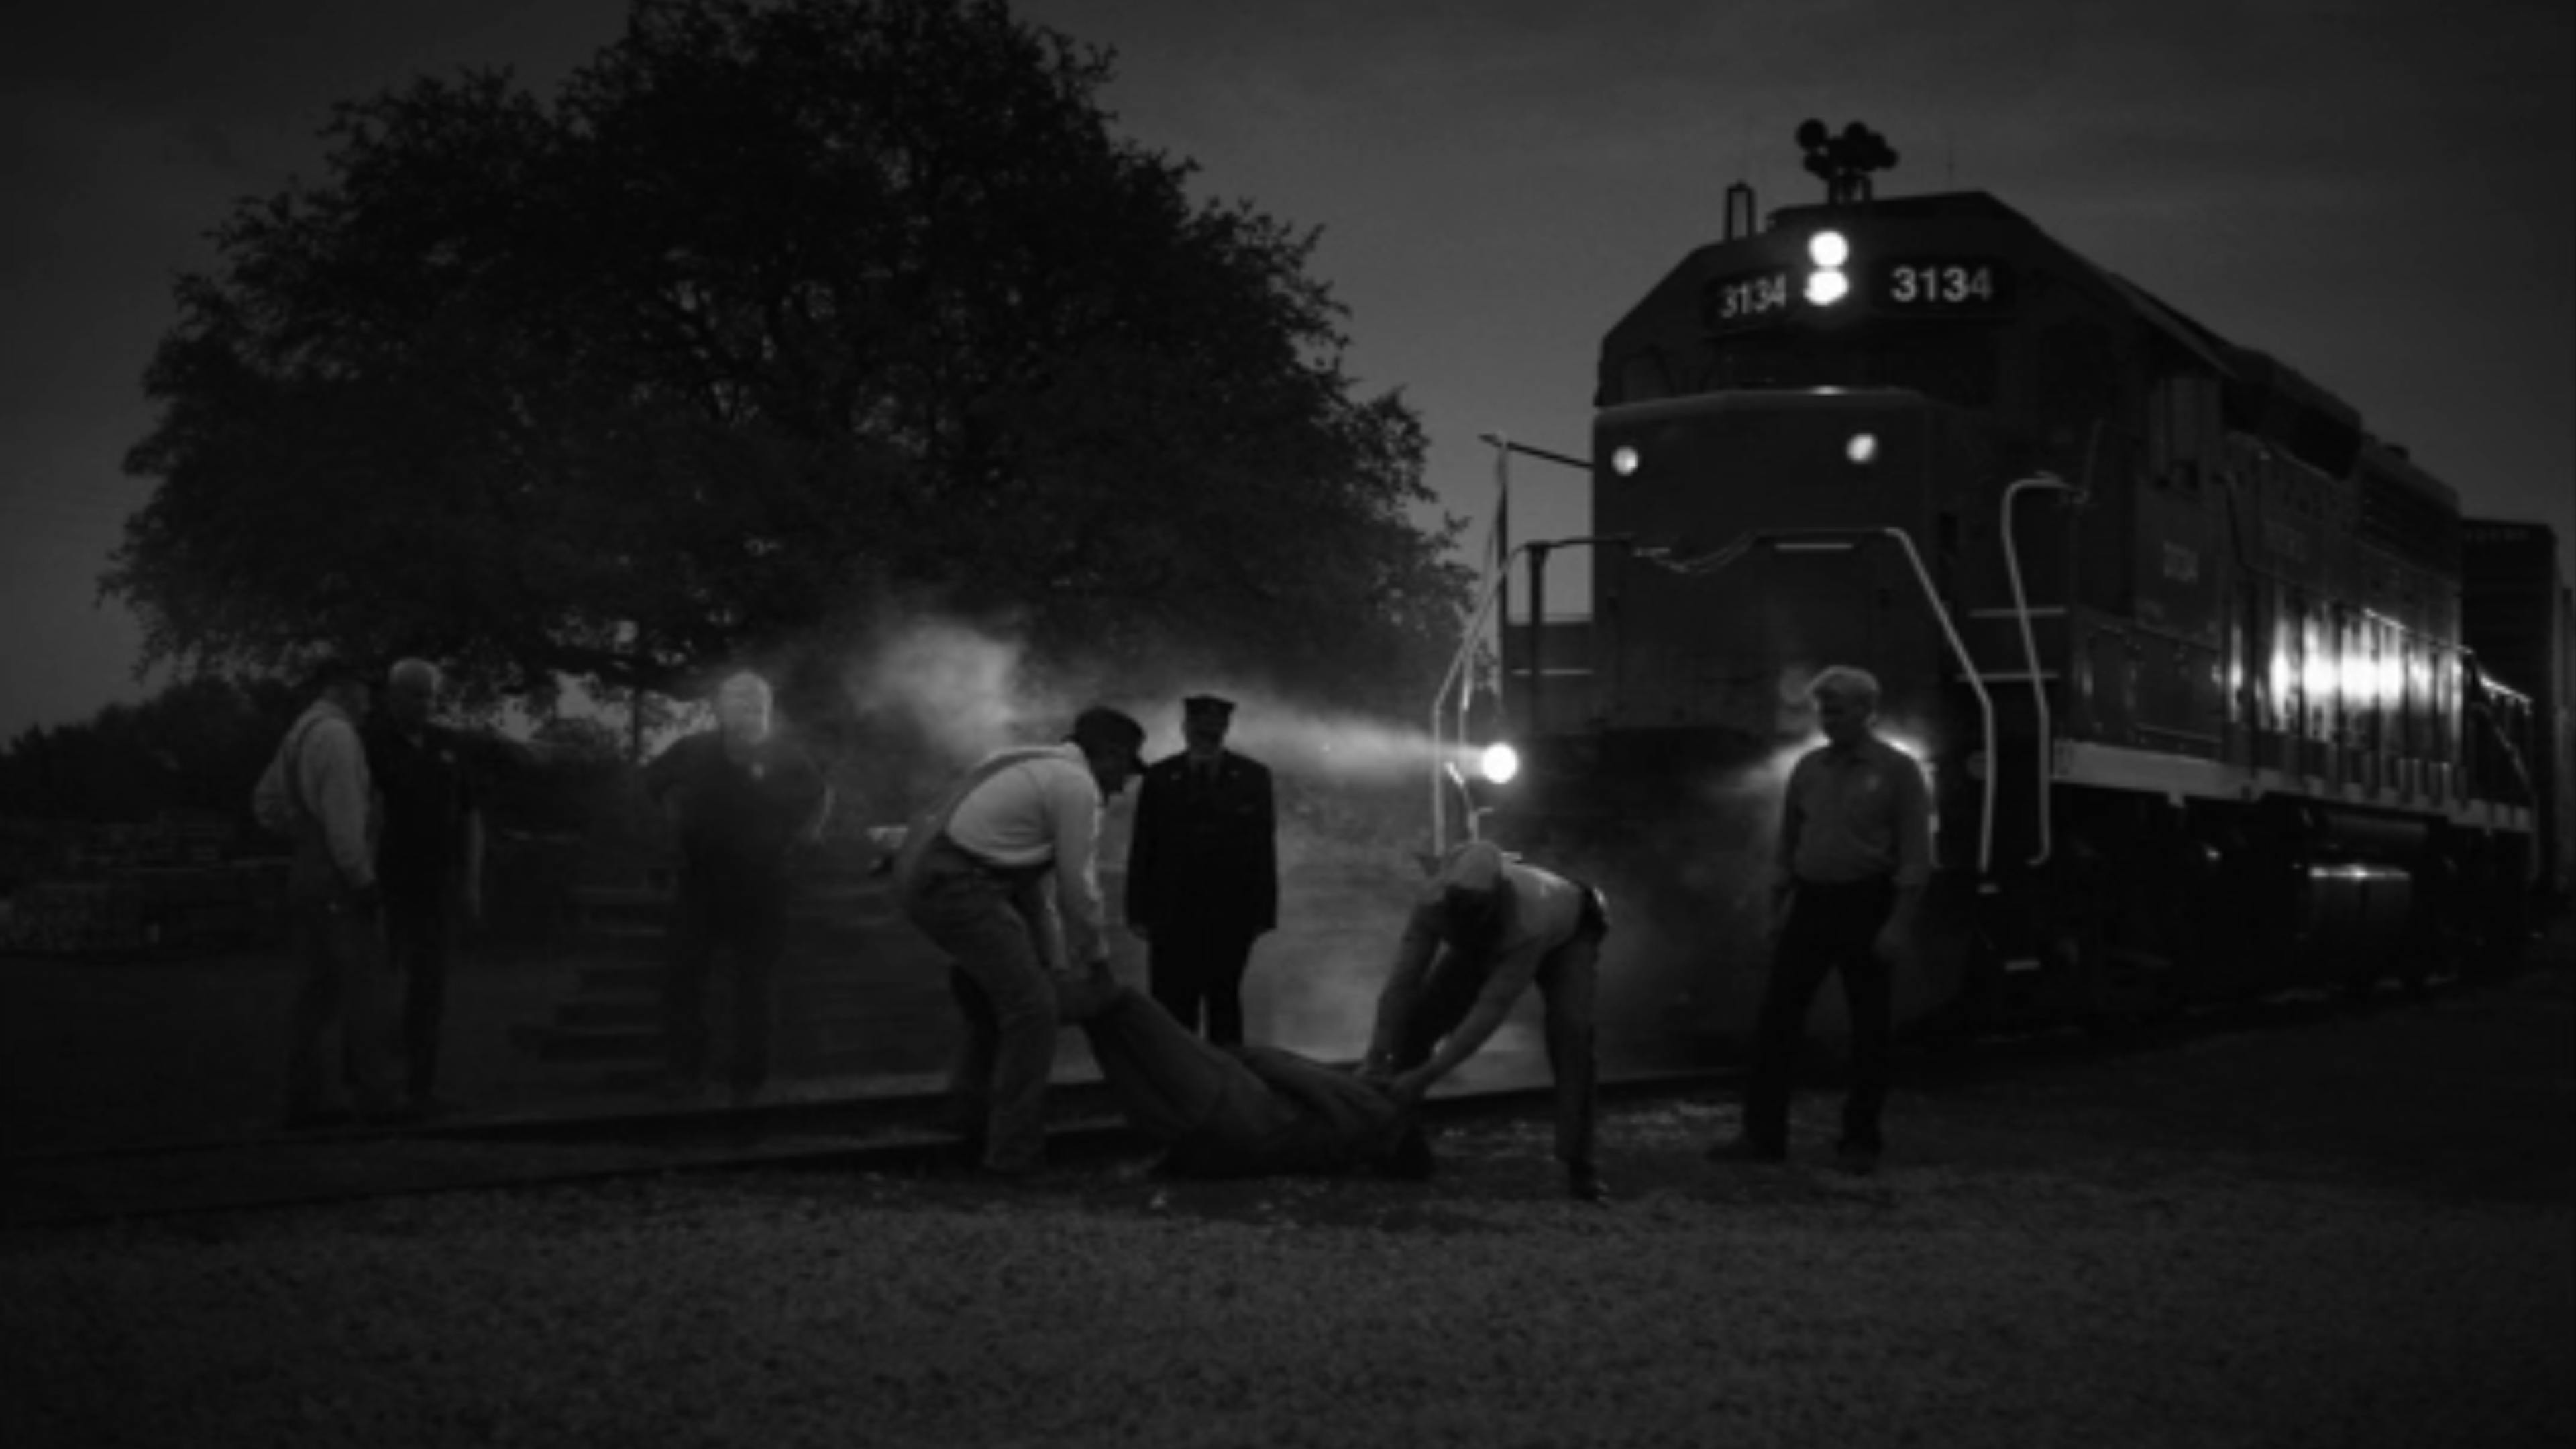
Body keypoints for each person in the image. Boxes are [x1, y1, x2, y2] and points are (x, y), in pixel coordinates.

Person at [899, 706, 1146, 1176]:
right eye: (1125, 769)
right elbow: (1078, 887)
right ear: (1110, 755)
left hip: (928, 872)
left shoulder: (1027, 761)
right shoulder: (1076, 787)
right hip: (957, 884)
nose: (1123, 785)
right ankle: (1013, 1155)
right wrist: (1096, 963)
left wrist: (1054, 963)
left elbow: (1034, 892)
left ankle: (968, 1115)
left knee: (993, 992)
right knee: (1033, 1012)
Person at [1709, 665, 1933, 1175]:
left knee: (1869, 1027)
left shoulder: (1899, 771)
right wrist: (1775, 908)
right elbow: (1788, 843)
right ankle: (1763, 1136)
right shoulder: (1808, 769)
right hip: (1811, 903)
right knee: (1776, 1022)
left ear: (1866, 711)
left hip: (1867, 902)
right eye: (1823, 710)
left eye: (1837, 710)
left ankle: (1860, 1141)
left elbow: (1915, 854)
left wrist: (1898, 923)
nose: (1827, 720)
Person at [1359, 839, 1613, 1203]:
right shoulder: (1432, 905)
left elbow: (1490, 1009)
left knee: (1570, 1031)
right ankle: (1401, 1147)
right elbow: (1402, 983)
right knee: (1420, 1022)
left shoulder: (1530, 920)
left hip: (1571, 932)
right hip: (1491, 936)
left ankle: (1581, 1164)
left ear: (1496, 899)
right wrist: (1377, 1053)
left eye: (1475, 911)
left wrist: (1426, 1075)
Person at [643, 671, 833, 1108]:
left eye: (755, 701)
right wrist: (671, 817)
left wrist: (810, 833)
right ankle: (684, 1073)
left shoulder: (787, 756)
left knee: (755, 983)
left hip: (763, 885)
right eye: (737, 700)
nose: (746, 708)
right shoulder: (693, 749)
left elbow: (822, 794)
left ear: (767, 707)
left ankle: (748, 1080)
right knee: (684, 975)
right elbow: (655, 782)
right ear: (720, 707)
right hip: (701, 880)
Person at [1057, 978, 1430, 1179]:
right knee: (1108, 1030)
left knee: (1122, 1003)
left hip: (1229, 1099)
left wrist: (1236, 1055)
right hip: (1203, 1139)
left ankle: (1020, 1010)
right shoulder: (1347, 1152)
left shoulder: (1374, 1112)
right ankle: (1025, 1012)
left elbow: (1295, 1074)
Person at [253, 657, 400, 1128]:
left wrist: (302, 832)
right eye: (365, 691)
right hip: (338, 878)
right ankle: (374, 1099)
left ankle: (306, 1099)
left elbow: (266, 804)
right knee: (363, 988)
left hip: (306, 874)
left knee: (314, 994)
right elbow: (345, 823)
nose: (370, 702)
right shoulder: (337, 737)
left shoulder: (299, 732)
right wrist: (364, 881)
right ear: (343, 689)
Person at [362, 659, 486, 1117]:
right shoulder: (371, 744)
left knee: (430, 987)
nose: (424, 703)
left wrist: (472, 880)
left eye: (430, 695)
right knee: (381, 987)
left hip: (438, 886)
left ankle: (422, 1086)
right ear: (392, 696)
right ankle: (376, 1088)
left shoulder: (447, 746)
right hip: (387, 884)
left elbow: (472, 816)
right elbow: (367, 816)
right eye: (415, 694)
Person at [1124, 693, 1279, 1044]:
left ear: (1225, 730)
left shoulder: (1253, 778)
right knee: (1172, 1004)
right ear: (1186, 729)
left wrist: (1262, 913)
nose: (1207, 737)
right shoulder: (1161, 778)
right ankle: (1179, 1082)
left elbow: (1262, 848)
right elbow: (1144, 846)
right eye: (1200, 729)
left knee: (1224, 1002)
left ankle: (1226, 1085)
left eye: (1214, 730)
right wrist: (1137, 910)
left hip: (1229, 911)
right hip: (1172, 910)